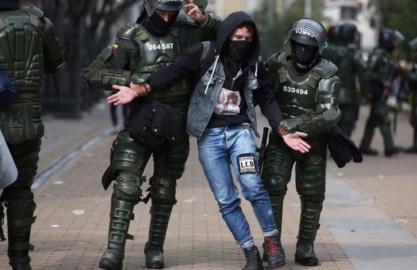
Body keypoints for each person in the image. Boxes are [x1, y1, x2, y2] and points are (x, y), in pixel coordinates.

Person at [106, 11, 311, 270]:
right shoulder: (204, 54)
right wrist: (138, 89)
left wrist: (284, 130)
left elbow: (267, 100)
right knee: (226, 200)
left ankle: (272, 242)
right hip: (209, 137)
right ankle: (249, 252)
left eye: (247, 39)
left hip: (240, 134)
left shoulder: (255, 65)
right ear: (226, 36)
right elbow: (172, 72)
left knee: (252, 186)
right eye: (237, 37)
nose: (242, 43)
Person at [81, 1, 219, 269]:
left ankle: (155, 249)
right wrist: (131, 79)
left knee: (165, 190)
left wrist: (203, 19)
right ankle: (114, 250)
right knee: (126, 185)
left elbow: (226, 33)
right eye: (161, 11)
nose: (166, 17)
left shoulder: (187, 31)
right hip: (140, 120)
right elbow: (92, 74)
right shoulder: (130, 36)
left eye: (171, 11)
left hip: (175, 123)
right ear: (149, 6)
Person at [0, 0, 66, 269]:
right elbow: (56, 62)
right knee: (20, 191)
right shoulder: (39, 23)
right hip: (29, 121)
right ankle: (20, 260)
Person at [261, 19, 341, 266]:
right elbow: (261, 92)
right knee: (272, 187)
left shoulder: (327, 74)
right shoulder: (276, 65)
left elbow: (331, 113)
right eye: (298, 46)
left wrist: (300, 124)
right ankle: (272, 245)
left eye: (308, 47)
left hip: (312, 143)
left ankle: (305, 245)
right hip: (280, 139)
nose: (302, 51)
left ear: (318, 48)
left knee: (313, 194)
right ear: (291, 45)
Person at [359, 28, 404, 157]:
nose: (394, 44)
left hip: (380, 91)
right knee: (384, 119)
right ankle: (389, 147)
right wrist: (382, 80)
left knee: (372, 121)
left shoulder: (384, 53)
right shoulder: (379, 53)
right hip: (377, 92)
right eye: (393, 41)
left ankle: (364, 146)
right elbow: (368, 72)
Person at [323, 23, 366, 137]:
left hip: (328, 94)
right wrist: (365, 94)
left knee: (329, 125)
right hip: (348, 96)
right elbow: (363, 74)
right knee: (346, 126)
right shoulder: (354, 52)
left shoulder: (326, 50)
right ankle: (343, 152)